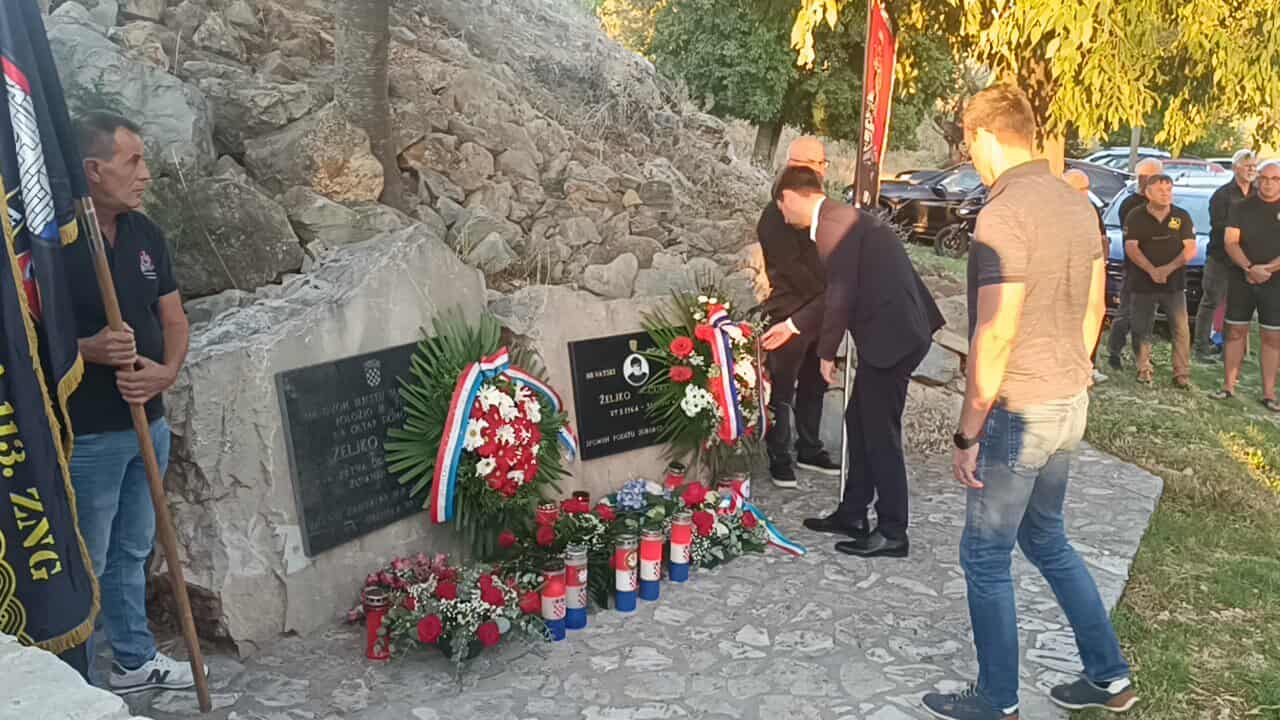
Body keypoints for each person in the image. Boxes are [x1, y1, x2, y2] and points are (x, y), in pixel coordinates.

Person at [923, 85, 1135, 719]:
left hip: (1017, 410)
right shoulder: (1077, 202)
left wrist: (968, 431)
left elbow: (997, 331)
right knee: (1045, 538)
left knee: (985, 554)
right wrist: (1074, 370)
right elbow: (1096, 307)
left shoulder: (1004, 212)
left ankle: (997, 699)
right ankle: (1109, 677)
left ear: (984, 136)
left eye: (969, 142)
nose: (970, 154)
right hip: (1067, 398)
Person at [67, 111, 197, 693]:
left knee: (134, 548)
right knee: (87, 558)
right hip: (88, 432)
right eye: (133, 161)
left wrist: (165, 374)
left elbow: (174, 319)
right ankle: (74, 678)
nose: (145, 173)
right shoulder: (53, 241)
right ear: (94, 170)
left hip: (149, 423)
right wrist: (86, 349)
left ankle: (133, 659)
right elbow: (20, 341)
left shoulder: (145, 233)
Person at [772, 166, 943, 558]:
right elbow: (836, 292)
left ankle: (893, 530)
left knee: (880, 434)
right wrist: (793, 325)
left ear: (792, 195)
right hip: (894, 336)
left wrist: (825, 353)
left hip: (892, 339)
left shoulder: (833, 225)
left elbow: (841, 293)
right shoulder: (840, 219)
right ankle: (852, 513)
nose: (782, 214)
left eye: (781, 205)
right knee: (859, 423)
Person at [757, 137, 841, 488]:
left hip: (820, 310)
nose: (818, 170)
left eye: (821, 163)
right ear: (792, 163)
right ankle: (779, 455)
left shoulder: (825, 209)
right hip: (789, 309)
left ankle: (809, 447)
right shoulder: (776, 214)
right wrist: (829, 294)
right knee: (781, 387)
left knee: (814, 383)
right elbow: (792, 268)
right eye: (811, 163)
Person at [1215, 159, 1280, 412]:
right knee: (1234, 331)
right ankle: (1228, 387)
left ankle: (1269, 394)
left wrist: (1267, 270)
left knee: (1272, 336)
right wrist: (1249, 268)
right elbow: (1230, 242)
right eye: (1264, 178)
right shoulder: (1240, 207)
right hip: (1242, 277)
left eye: (1274, 179)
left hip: (1274, 282)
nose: (1268, 184)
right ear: (1257, 180)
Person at [1123, 174, 1197, 387]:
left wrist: (1167, 269)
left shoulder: (1181, 216)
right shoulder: (1135, 216)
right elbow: (1131, 247)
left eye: (1169, 190)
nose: (1166, 194)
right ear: (1148, 193)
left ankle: (1181, 373)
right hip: (1143, 281)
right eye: (1160, 190)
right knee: (1141, 327)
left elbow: (1190, 249)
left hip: (1174, 283)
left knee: (1180, 328)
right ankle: (1143, 368)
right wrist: (1151, 270)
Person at [1107, 158, 1165, 370]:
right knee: (1126, 312)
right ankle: (1115, 352)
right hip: (1136, 267)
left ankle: (1142, 354)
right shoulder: (1131, 204)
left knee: (1148, 315)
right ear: (1144, 179)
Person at [1199, 150, 1257, 361]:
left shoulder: (1258, 193)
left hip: (1247, 259)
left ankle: (1232, 349)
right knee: (1211, 302)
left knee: (1239, 305)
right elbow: (1220, 226)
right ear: (1235, 168)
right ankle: (1202, 348)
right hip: (1221, 258)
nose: (1252, 170)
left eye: (1254, 166)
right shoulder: (1222, 195)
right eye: (1247, 166)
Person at [1064, 169, 1109, 372]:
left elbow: (1102, 239)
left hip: (1088, 271)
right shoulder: (1056, 210)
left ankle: (1088, 363)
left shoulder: (1091, 210)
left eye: (1086, 188)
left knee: (1091, 314)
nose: (1083, 193)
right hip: (1063, 273)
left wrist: (1102, 264)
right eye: (1079, 189)